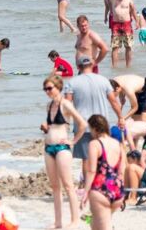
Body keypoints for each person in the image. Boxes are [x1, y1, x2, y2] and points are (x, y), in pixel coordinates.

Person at [40, 75, 86, 229]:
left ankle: (75, 221)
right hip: (48, 148)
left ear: (58, 87)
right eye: (45, 89)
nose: (47, 91)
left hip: (62, 149)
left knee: (68, 185)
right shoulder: (49, 105)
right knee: (54, 187)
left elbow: (82, 123)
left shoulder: (65, 104)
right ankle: (58, 222)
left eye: (49, 88)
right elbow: (52, 126)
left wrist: (73, 141)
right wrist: (46, 127)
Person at [64, 56, 118, 160]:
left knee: (86, 159)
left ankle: (88, 177)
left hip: (82, 127)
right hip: (102, 125)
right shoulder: (104, 80)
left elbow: (67, 106)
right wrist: (120, 117)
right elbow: (114, 102)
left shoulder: (72, 82)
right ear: (92, 65)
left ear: (78, 67)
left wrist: (66, 124)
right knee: (103, 158)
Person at [80, 115, 125, 230]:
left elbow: (91, 171)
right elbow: (121, 171)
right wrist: (123, 195)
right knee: (96, 223)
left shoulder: (95, 144)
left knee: (104, 226)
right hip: (117, 190)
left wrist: (85, 193)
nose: (90, 133)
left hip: (101, 189)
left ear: (95, 128)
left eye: (90, 129)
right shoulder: (119, 144)